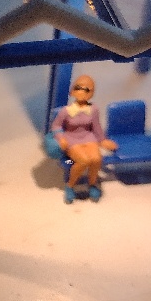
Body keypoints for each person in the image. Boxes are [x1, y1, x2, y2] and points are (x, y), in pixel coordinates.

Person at [51, 74, 117, 204]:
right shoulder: (66, 111)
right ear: (73, 91)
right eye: (78, 88)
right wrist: (61, 138)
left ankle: (92, 183)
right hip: (71, 138)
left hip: (89, 137)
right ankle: (70, 185)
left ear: (92, 93)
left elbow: (96, 127)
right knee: (84, 160)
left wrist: (102, 140)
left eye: (87, 90)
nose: (82, 92)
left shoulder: (93, 109)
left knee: (96, 159)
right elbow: (56, 126)